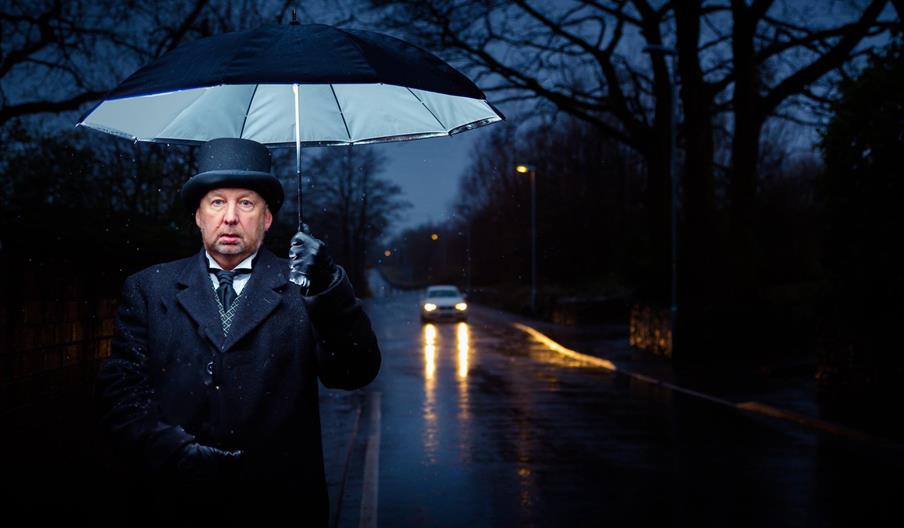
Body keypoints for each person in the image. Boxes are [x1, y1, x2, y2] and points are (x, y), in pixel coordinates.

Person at [93, 137, 381, 527]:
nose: (230, 217)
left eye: (245, 203)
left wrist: (329, 285)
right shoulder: (149, 289)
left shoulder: (303, 288)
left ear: (266, 219)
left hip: (278, 505)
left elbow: (354, 370)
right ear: (198, 216)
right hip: (173, 502)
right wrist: (175, 451)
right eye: (217, 202)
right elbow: (121, 394)